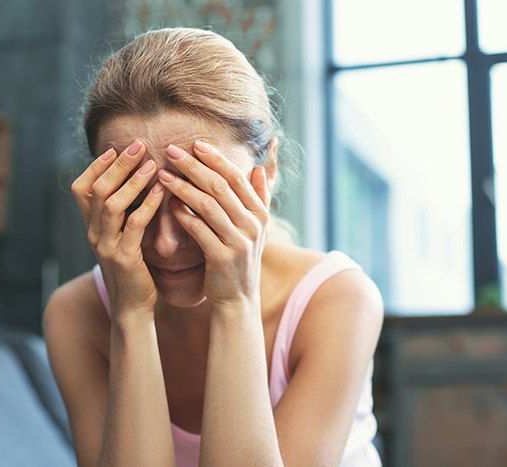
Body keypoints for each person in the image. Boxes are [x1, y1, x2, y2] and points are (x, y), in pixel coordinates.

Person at [43, 27, 384, 467]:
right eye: (135, 200)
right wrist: (130, 316)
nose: (165, 245)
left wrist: (235, 303)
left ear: (269, 172)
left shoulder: (338, 301)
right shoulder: (75, 316)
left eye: (198, 201)